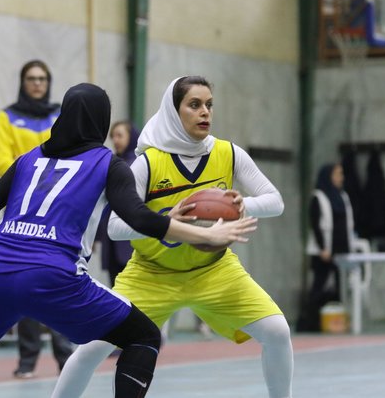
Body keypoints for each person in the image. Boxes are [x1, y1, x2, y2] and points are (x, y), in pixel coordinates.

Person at [0, 83, 257, 398]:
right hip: (53, 277)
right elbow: (138, 217)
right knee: (143, 336)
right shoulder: (108, 163)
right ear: (102, 120)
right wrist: (207, 234)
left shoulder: (27, 160)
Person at [51, 76, 293, 398]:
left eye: (209, 105)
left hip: (214, 270)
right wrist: (165, 221)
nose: (205, 112)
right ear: (173, 111)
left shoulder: (229, 153)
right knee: (91, 348)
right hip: (151, 274)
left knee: (277, 331)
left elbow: (275, 202)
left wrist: (242, 204)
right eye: (194, 105)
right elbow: (114, 227)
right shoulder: (148, 163)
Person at [0, 59, 72, 378]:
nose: (37, 83)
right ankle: (27, 360)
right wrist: (42, 173)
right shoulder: (7, 117)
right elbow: (1, 162)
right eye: (31, 78)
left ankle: (65, 357)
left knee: (59, 278)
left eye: (42, 79)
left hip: (58, 208)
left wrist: (29, 166)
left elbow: (71, 154)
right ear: (22, 82)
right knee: (22, 280)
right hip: (19, 208)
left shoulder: (60, 115)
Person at [300, 163, 357, 332]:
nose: (341, 178)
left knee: (341, 287)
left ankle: (338, 322)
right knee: (318, 287)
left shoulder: (343, 197)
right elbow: (316, 225)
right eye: (337, 174)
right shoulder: (318, 197)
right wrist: (323, 248)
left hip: (341, 251)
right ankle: (309, 323)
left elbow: (347, 224)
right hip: (323, 252)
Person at [95, 120, 139, 286]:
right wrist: (96, 236)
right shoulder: (111, 164)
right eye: (113, 136)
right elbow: (103, 204)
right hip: (111, 243)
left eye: (120, 135)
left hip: (130, 242)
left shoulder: (139, 164)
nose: (115, 140)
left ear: (131, 137)